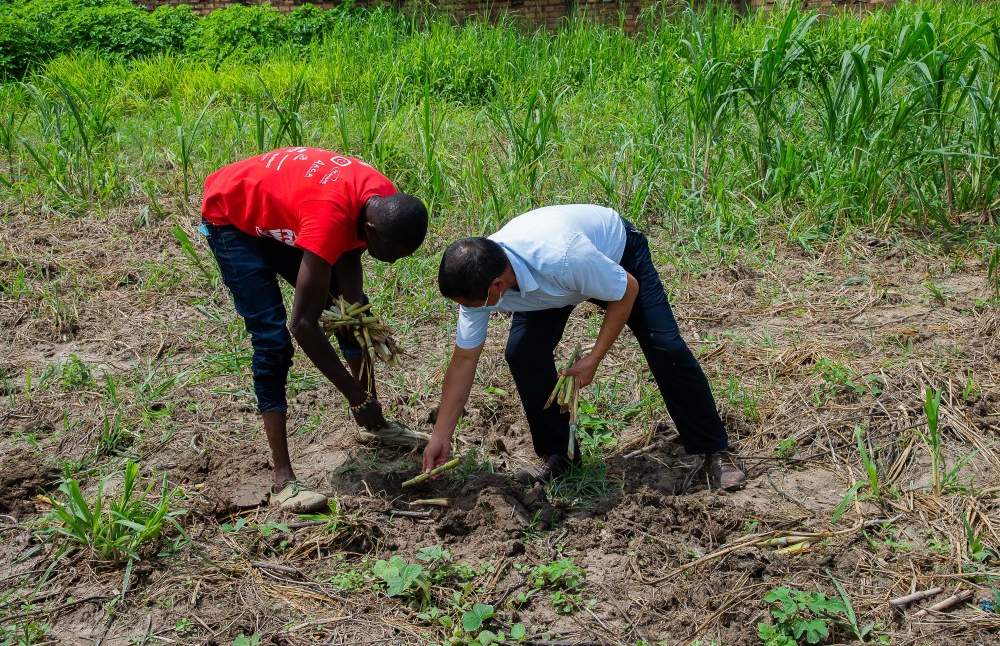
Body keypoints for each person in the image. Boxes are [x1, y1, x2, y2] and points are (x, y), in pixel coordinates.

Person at [423, 204, 745, 490]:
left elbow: (626, 290)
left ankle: (714, 450)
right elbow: (465, 358)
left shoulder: (562, 257)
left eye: (471, 304)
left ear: (497, 286)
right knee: (523, 353)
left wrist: (594, 358)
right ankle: (560, 455)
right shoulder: (480, 281)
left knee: (667, 349)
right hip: (554, 285)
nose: (469, 309)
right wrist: (440, 437)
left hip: (614, 254)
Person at [201, 147, 430, 513]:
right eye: (395, 253)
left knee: (349, 312)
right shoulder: (330, 221)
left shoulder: (381, 196)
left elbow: (350, 277)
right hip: (231, 216)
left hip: (284, 205)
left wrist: (359, 319)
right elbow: (303, 326)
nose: (397, 262)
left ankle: (374, 425)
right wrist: (356, 396)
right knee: (273, 342)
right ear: (372, 230)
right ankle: (283, 479)